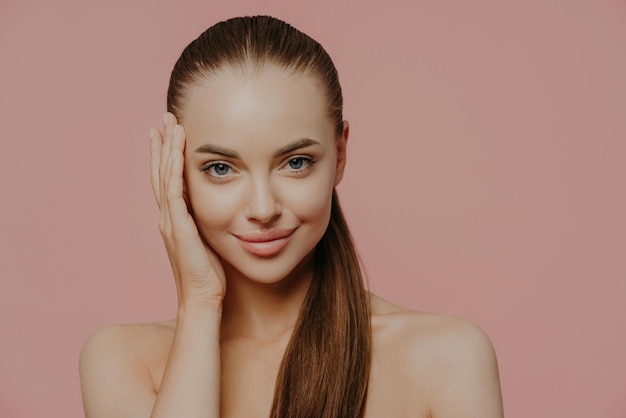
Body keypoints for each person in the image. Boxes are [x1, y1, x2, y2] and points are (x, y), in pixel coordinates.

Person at [79, 15, 504, 418]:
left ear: (339, 155)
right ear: (176, 173)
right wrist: (200, 303)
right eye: (221, 169)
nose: (263, 209)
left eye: (296, 162)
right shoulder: (124, 361)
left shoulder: (447, 358)